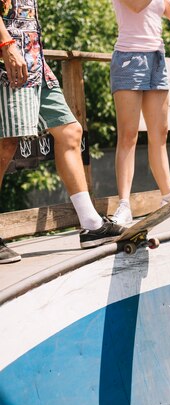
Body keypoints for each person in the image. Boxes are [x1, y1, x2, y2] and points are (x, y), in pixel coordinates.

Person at [0, 0, 126, 264]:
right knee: (5, 145)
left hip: (35, 63)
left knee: (70, 132)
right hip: (8, 61)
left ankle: (91, 225)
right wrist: (6, 45)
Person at [109, 0, 170, 225]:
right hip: (128, 58)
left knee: (160, 135)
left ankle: (168, 197)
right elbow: (136, 6)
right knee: (128, 135)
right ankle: (124, 204)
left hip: (157, 59)